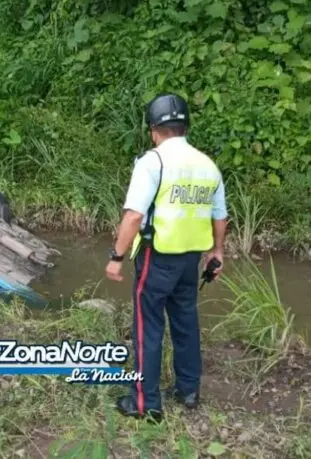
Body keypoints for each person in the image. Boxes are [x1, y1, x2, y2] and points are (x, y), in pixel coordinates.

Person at [105, 92, 228, 421]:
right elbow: (220, 215)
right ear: (185, 126)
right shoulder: (207, 166)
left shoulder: (153, 162)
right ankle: (188, 390)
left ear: (153, 130)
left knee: (149, 326)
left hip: (157, 258)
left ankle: (145, 403)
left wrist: (116, 257)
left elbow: (133, 216)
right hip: (191, 260)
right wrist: (217, 252)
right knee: (186, 321)